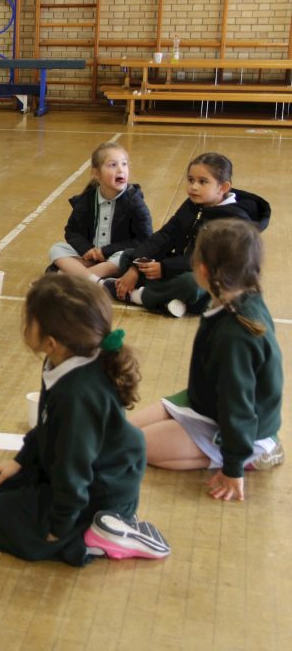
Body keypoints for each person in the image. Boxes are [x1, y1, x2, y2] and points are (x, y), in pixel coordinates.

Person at [0, 274, 170, 564]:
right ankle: (73, 522)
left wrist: (58, 528)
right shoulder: (60, 361)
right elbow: (47, 428)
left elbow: (74, 473)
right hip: (64, 472)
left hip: (97, 493)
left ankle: (97, 535)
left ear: (50, 342)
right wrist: (20, 462)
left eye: (28, 320)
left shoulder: (78, 396)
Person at [129, 219, 283, 501]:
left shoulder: (234, 336)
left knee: (133, 447)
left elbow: (238, 405)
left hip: (240, 426)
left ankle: (251, 455)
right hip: (206, 405)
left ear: (202, 270)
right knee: (123, 434)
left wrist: (233, 468)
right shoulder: (240, 294)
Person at [104, 152, 270, 317]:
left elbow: (207, 261)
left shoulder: (233, 221)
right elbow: (166, 235)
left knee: (190, 284)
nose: (194, 186)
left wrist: (165, 268)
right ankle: (170, 299)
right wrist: (136, 266)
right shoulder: (193, 203)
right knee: (129, 256)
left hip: (208, 278)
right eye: (191, 180)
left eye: (202, 182)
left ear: (223, 187)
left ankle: (138, 296)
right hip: (178, 265)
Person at [48, 141, 152, 280]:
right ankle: (92, 279)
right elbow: (72, 231)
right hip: (91, 257)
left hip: (115, 257)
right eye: (113, 165)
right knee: (56, 249)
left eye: (124, 164)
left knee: (125, 256)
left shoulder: (135, 203)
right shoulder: (87, 199)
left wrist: (106, 251)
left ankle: (68, 278)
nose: (121, 170)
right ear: (96, 173)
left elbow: (144, 240)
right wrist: (87, 249)